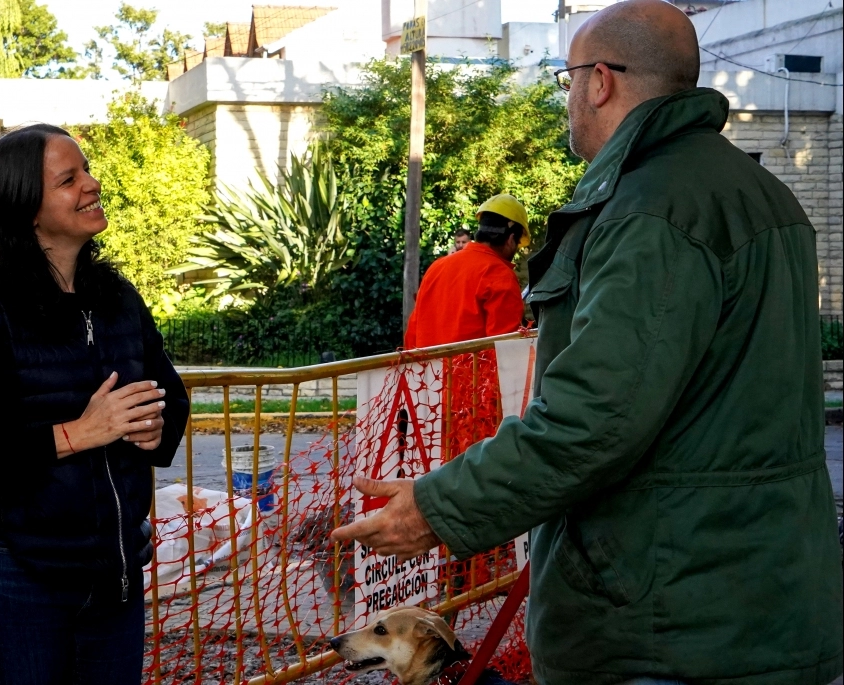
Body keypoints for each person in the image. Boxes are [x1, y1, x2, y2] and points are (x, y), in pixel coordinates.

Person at [332, 2, 843, 684]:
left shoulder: (652, 210)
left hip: (665, 625)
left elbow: (594, 418)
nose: (567, 98)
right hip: (759, 601)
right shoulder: (762, 193)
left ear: (599, 80)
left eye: (567, 79)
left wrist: (439, 505)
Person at [0, 124, 189, 685]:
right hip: (19, 579)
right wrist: (77, 433)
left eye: (86, 170)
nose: (92, 185)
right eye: (70, 179)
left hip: (113, 575)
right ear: (26, 207)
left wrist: (154, 424)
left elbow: (168, 392)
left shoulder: (117, 298)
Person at [404, 195, 528, 349]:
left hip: (428, 371)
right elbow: (506, 349)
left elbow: (412, 335)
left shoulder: (436, 268)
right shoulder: (499, 275)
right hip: (473, 373)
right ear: (511, 239)